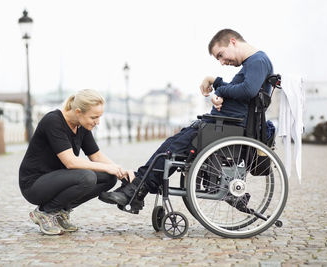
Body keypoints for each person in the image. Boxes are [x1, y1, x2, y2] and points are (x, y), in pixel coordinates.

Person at [99, 28, 274, 211]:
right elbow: (241, 91)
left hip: (228, 127)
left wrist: (220, 90)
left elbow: (248, 90)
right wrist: (214, 81)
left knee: (172, 148)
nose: (222, 62)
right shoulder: (252, 63)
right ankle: (136, 187)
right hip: (224, 125)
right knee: (170, 145)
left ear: (233, 41)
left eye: (221, 55)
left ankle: (135, 189)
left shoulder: (257, 61)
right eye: (219, 59)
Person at [19, 89, 125, 235]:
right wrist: (107, 167)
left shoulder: (81, 125)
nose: (98, 122)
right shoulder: (53, 121)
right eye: (94, 117)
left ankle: (60, 211)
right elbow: (70, 162)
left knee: (109, 177)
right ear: (78, 111)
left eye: (99, 117)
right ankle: (45, 212)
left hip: (59, 178)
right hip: (34, 184)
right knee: (87, 177)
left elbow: (97, 156)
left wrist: (120, 170)